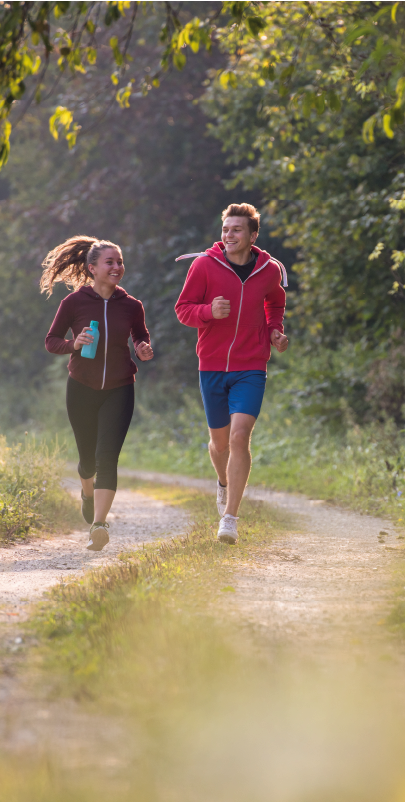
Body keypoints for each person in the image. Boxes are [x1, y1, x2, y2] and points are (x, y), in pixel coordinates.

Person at [175, 203, 288, 545]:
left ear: (253, 235)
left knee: (240, 437)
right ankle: (223, 485)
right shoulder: (204, 266)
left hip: (251, 365)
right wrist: (209, 311)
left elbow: (275, 302)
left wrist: (275, 330)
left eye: (236, 230)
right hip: (211, 365)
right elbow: (183, 310)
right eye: (225, 229)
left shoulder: (268, 269)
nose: (229, 235)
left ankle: (230, 519)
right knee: (219, 443)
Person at [42, 236, 153, 551]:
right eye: (110, 262)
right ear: (92, 268)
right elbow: (51, 341)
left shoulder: (132, 306)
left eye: (119, 261)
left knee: (108, 457)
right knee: (88, 460)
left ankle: (99, 524)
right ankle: (86, 491)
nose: (117, 267)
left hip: (120, 388)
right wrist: (73, 345)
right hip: (82, 388)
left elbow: (141, 338)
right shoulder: (74, 303)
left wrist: (143, 349)